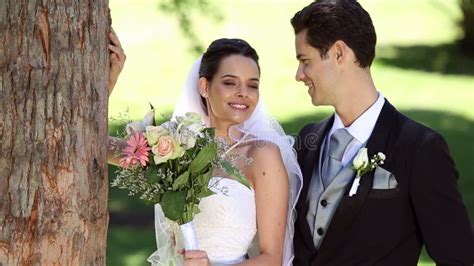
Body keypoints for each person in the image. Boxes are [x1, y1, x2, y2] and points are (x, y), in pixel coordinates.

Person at [290, 1, 474, 265]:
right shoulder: (306, 142)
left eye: (305, 61)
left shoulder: (420, 149)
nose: (299, 75)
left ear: (339, 53)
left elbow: (459, 258)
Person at [107, 33, 303, 265]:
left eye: (253, 85)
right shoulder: (172, 147)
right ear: (204, 86)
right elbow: (99, 147)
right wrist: (108, 83)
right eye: (230, 82)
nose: (243, 93)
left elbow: (272, 259)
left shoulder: (262, 155)